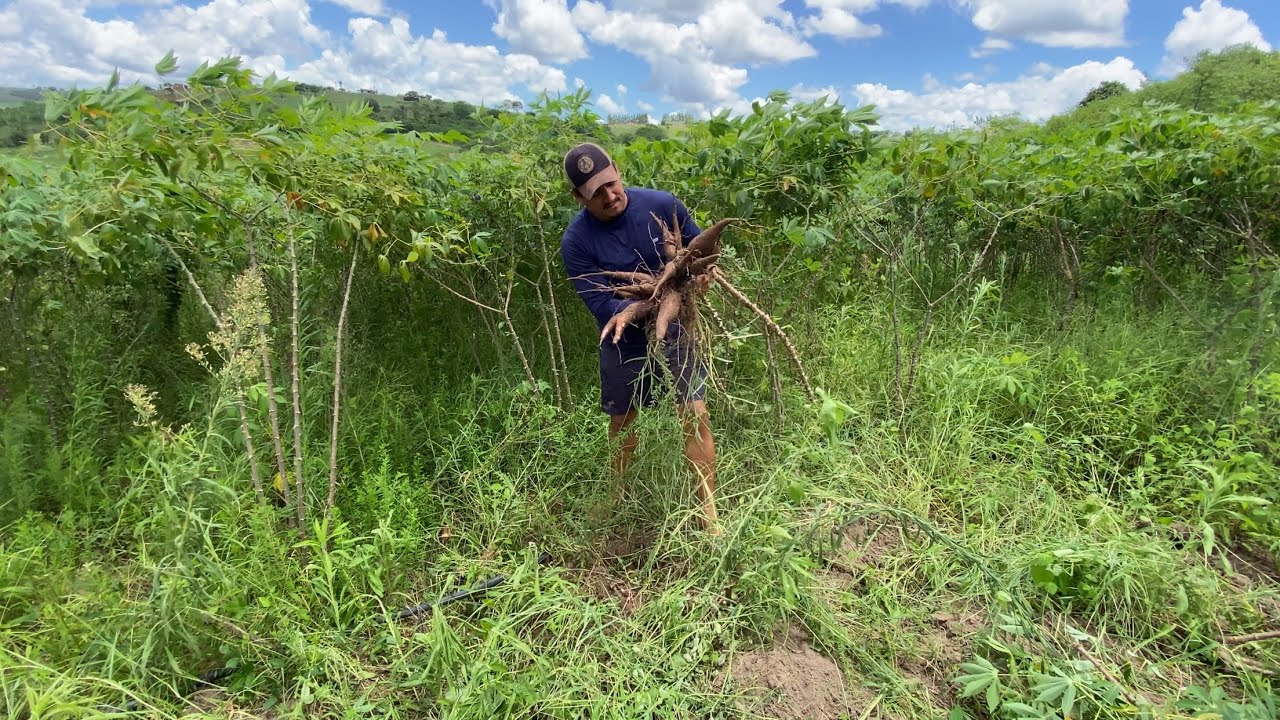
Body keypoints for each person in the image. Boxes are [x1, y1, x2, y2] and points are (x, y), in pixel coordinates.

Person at [559, 142, 721, 534]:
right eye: (595, 193)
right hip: (623, 332)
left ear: (617, 169)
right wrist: (648, 302)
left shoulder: (663, 205)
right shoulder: (576, 242)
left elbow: (701, 252)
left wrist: (699, 276)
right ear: (577, 196)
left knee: (694, 412)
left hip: (679, 322)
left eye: (611, 184)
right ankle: (618, 494)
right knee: (623, 419)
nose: (609, 196)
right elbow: (601, 304)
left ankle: (709, 513)